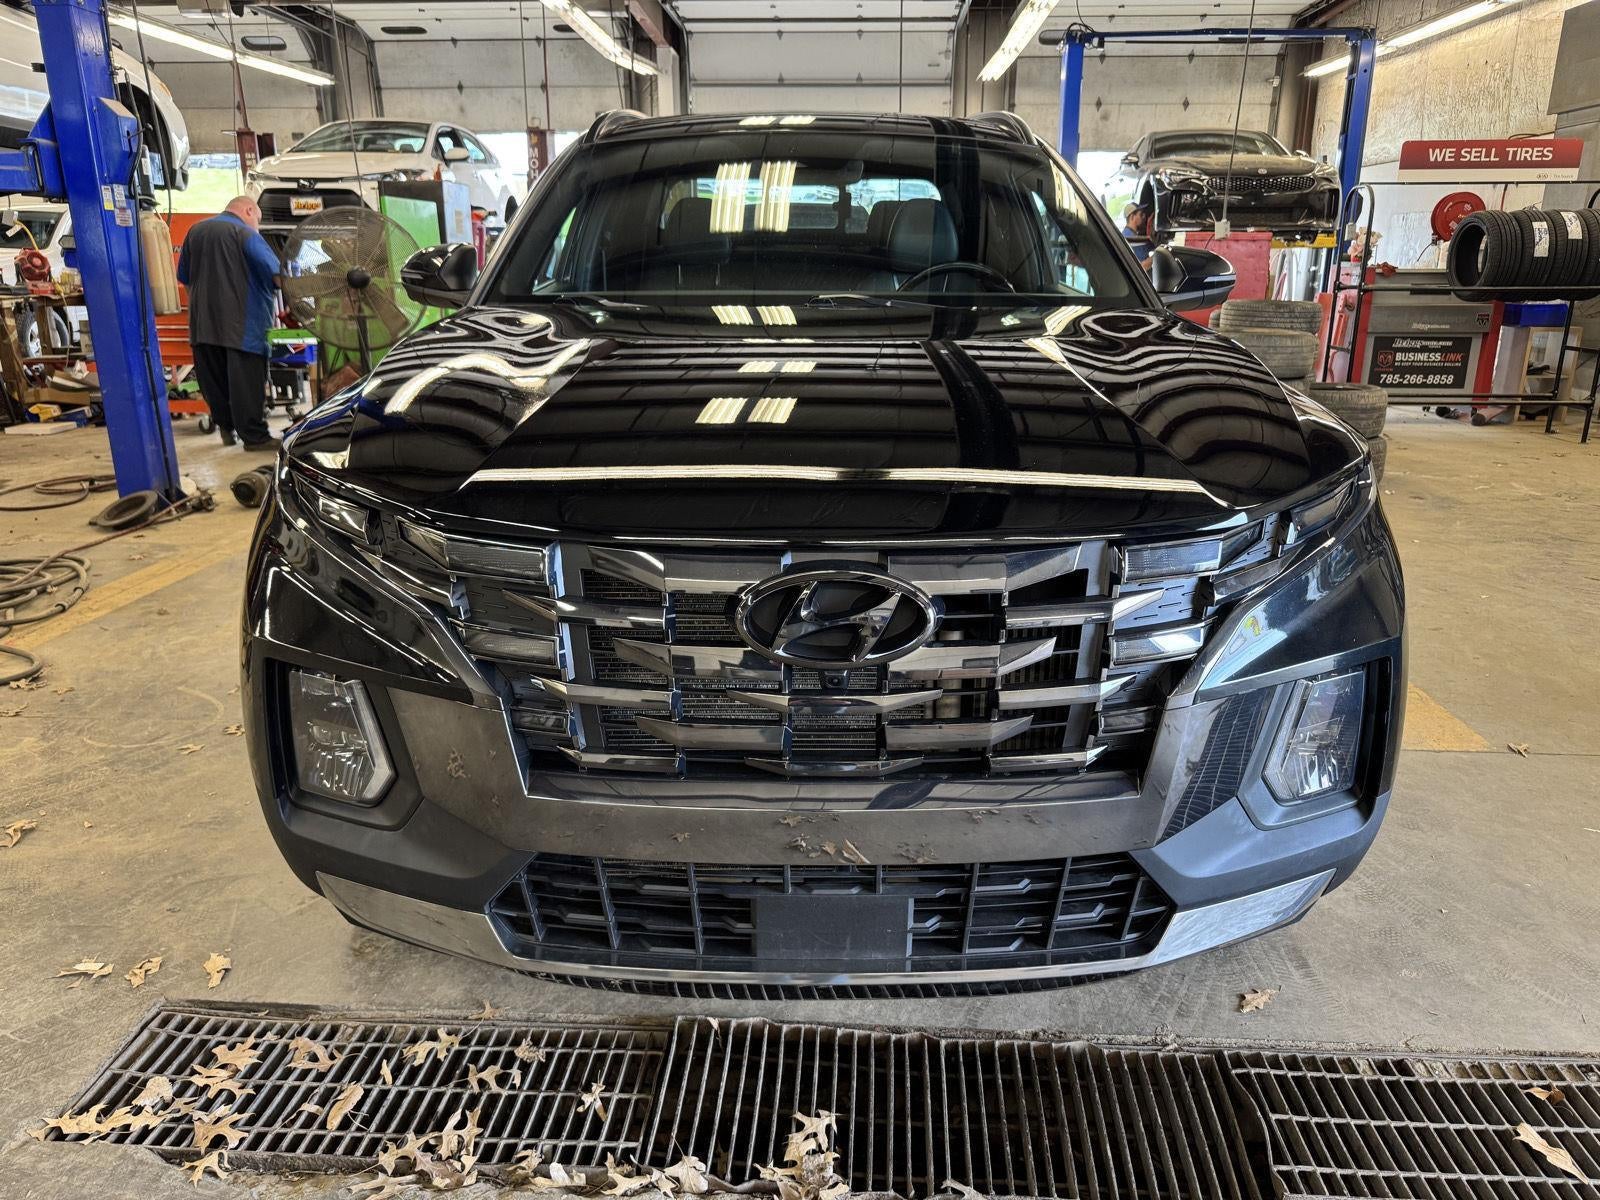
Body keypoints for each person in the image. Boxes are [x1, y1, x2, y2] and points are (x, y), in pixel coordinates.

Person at [176, 196, 282, 450]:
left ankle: (226, 429)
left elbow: (185, 277)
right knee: (246, 383)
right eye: (258, 220)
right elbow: (277, 274)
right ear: (249, 210)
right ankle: (255, 438)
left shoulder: (195, 231)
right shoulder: (245, 234)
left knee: (215, 382)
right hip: (244, 326)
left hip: (203, 326)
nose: (257, 226)